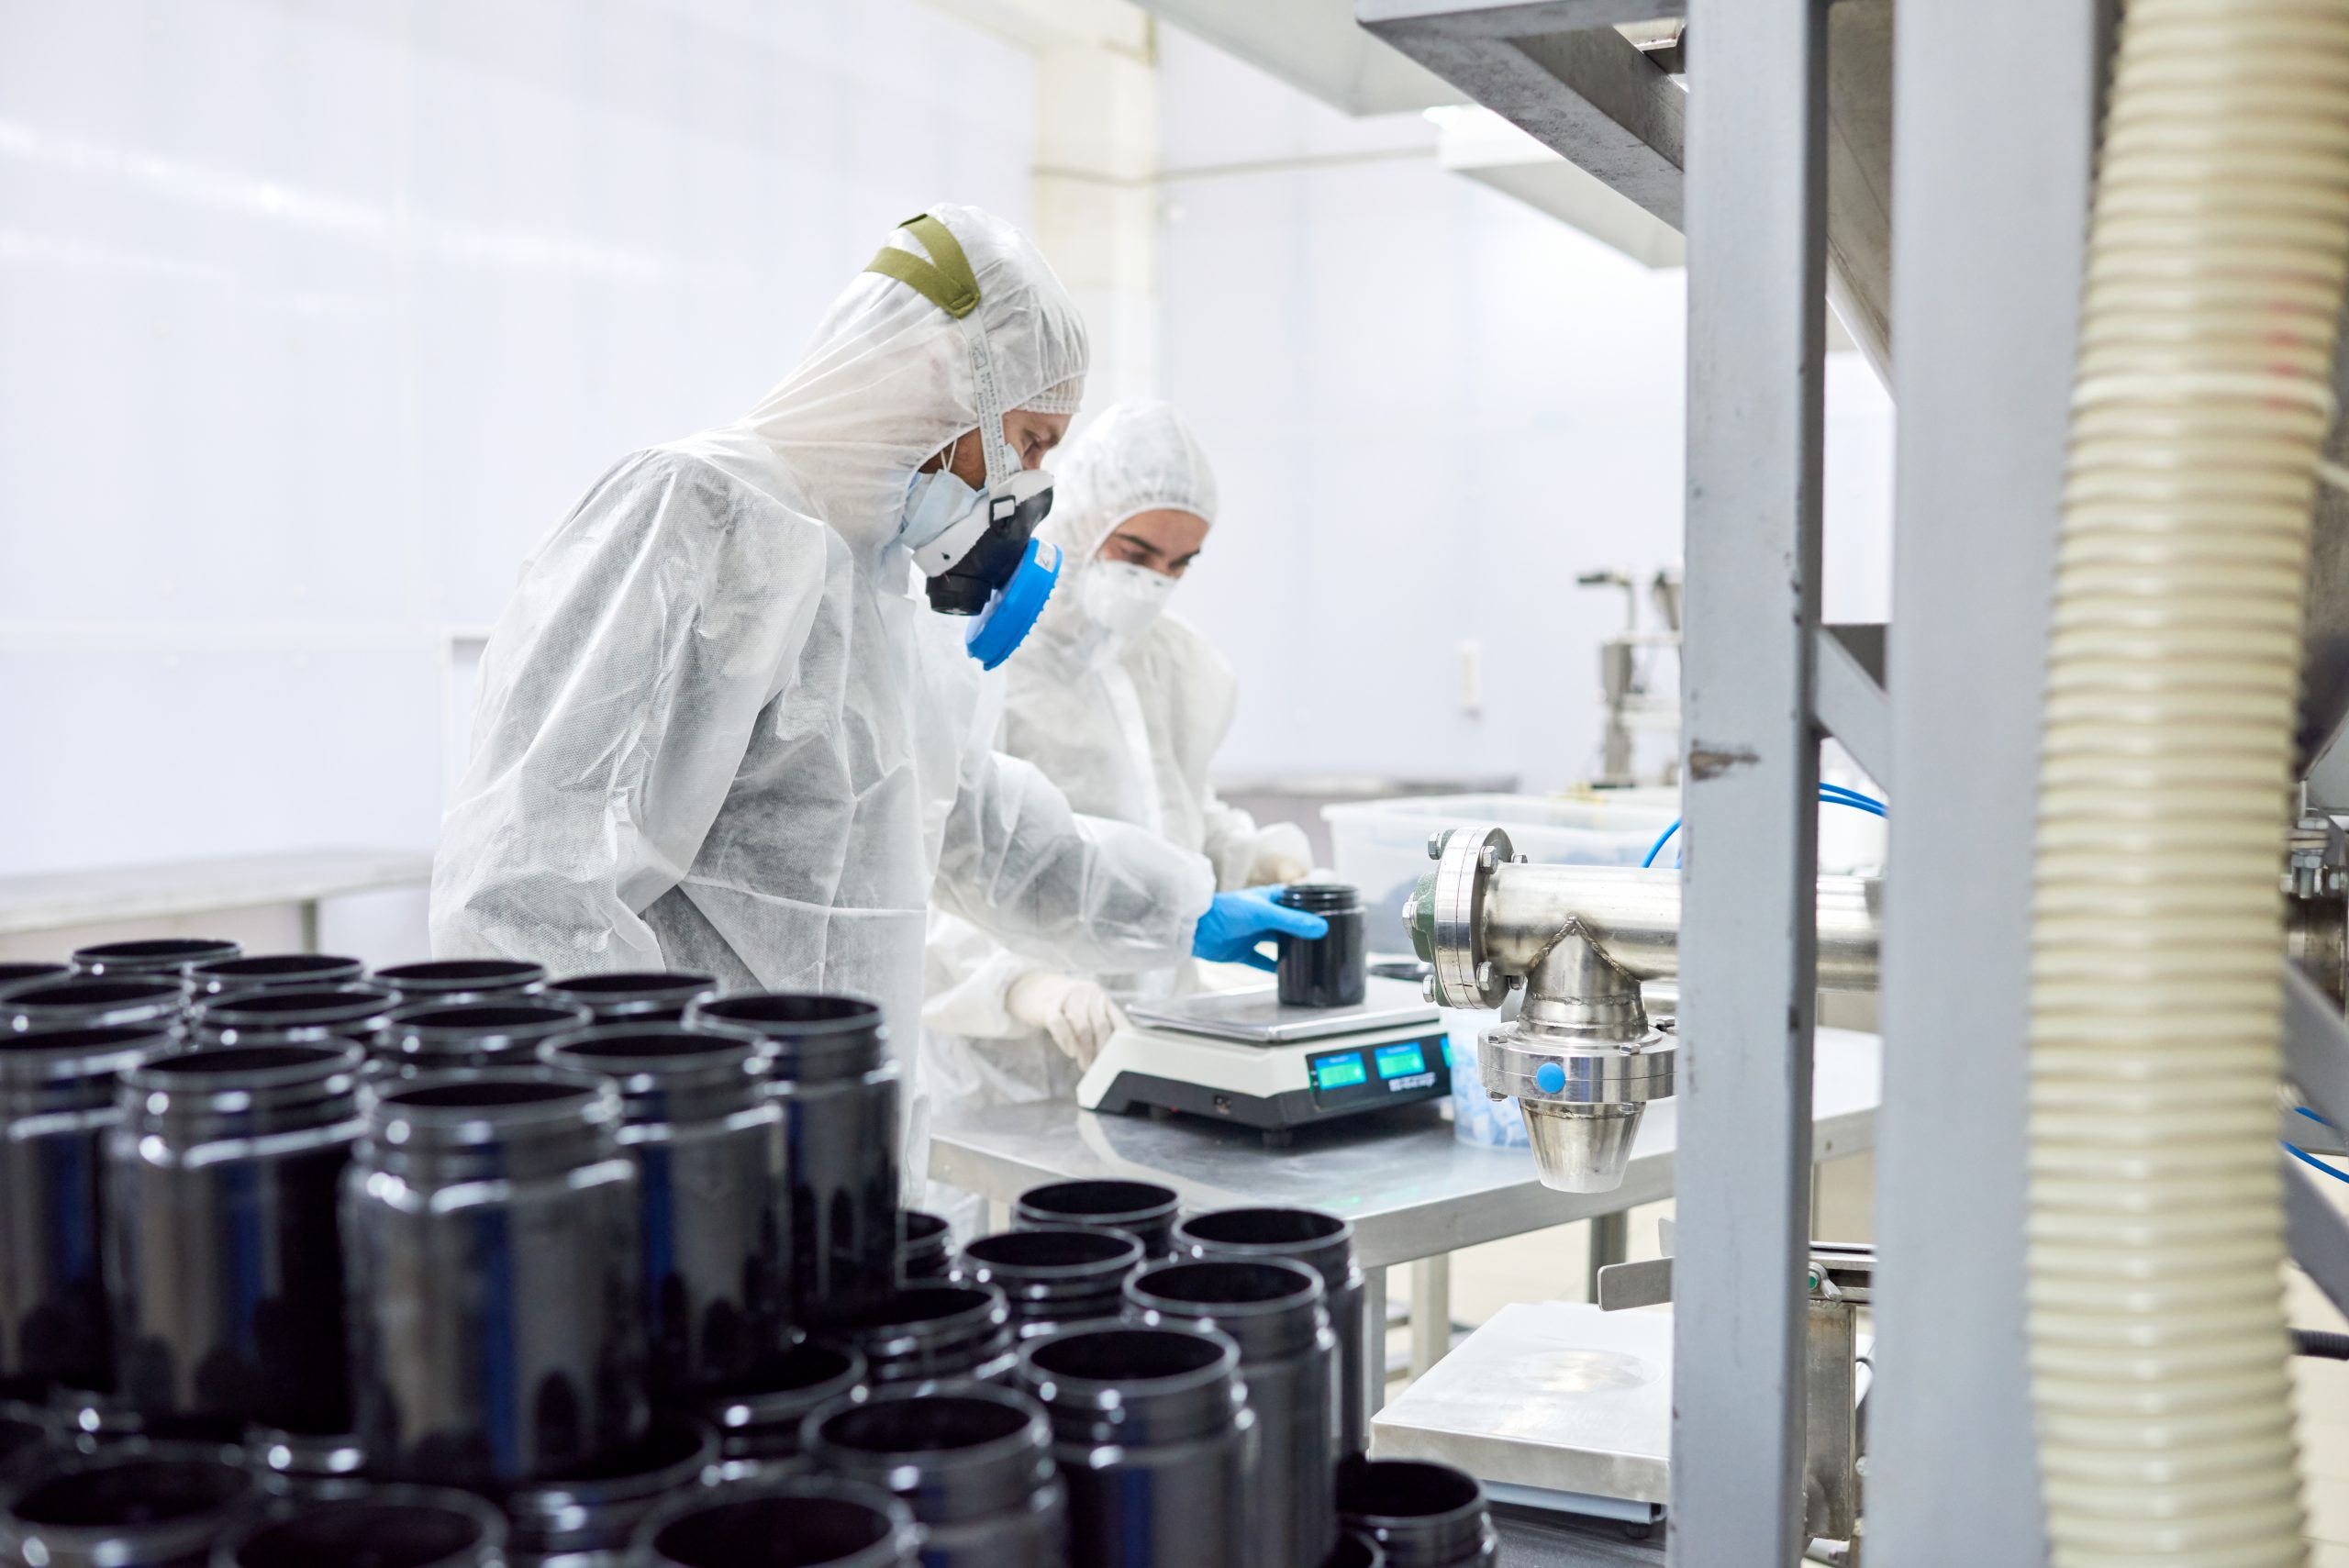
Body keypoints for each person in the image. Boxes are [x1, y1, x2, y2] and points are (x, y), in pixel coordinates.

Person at [431, 207, 1322, 1092]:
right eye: (1028, 443)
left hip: (841, 1126)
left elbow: (979, 829)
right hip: (691, 1124)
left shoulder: (879, 593)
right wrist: (634, 1121)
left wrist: (1181, 909)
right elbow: (525, 891)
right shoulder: (698, 515)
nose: (1027, 490)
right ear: (942, 378)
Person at [921, 401, 1315, 1117]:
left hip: (1161, 1036)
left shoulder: (1178, 663)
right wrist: (1024, 987)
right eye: (1136, 553)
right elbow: (941, 858)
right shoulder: (986, 654)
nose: (1155, 580)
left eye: (1178, 564)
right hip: (1006, 1071)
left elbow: (1175, 809)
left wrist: (1256, 860)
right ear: (1081, 519)